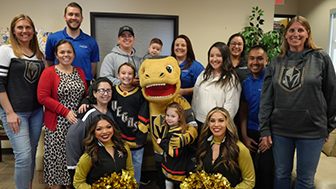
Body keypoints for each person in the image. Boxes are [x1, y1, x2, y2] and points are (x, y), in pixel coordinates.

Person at [258, 16, 336, 189]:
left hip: (312, 131)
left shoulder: (321, 58)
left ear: (307, 34)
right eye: (291, 30)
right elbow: (266, 98)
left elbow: (332, 94)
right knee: (281, 174)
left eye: (300, 30)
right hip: (280, 130)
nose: (296, 34)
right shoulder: (276, 62)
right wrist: (264, 129)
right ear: (285, 35)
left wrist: (328, 126)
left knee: (305, 180)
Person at [0, 14, 45, 189]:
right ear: (13, 31)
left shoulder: (39, 55)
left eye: (28, 27)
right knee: (24, 156)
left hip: (35, 112)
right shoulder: (6, 50)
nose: (24, 31)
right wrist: (9, 113)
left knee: (31, 155)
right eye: (20, 27)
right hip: (15, 112)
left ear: (33, 31)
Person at [37, 39, 87, 189]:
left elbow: (86, 93)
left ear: (74, 54)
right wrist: (65, 112)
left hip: (76, 126)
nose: (66, 55)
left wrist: (86, 101)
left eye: (69, 52)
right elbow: (42, 97)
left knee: (74, 167)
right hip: (57, 126)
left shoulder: (80, 71)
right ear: (56, 55)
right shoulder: (49, 72)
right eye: (62, 52)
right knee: (58, 170)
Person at [66, 77, 114, 183]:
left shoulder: (111, 112)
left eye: (108, 90)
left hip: (105, 166)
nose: (105, 93)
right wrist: (73, 167)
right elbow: (73, 138)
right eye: (102, 90)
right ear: (95, 93)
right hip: (88, 166)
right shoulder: (87, 112)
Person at [239, 45, 274, 189]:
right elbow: (243, 112)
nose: (255, 62)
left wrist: (268, 135)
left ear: (266, 60)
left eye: (260, 58)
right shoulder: (245, 83)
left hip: (269, 134)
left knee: (265, 171)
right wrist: (245, 136)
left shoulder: (273, 81)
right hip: (251, 131)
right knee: (248, 171)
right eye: (252, 58)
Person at [196, 107, 255, 189]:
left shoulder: (240, 148)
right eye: (212, 121)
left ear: (228, 123)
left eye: (221, 120)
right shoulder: (204, 144)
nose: (216, 124)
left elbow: (249, 181)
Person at [45, 2, 99, 86]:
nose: (74, 18)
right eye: (70, 14)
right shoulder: (53, 38)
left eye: (77, 15)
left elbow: (93, 66)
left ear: (81, 18)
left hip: (84, 85)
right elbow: (49, 63)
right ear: (65, 17)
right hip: (58, 84)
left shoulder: (91, 42)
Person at [73, 114, 134, 188]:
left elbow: (130, 169)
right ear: (93, 132)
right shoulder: (89, 156)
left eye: (108, 127)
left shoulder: (123, 146)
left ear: (113, 128)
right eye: (99, 129)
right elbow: (78, 182)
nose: (105, 131)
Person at [192, 42, 241, 133]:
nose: (214, 59)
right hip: (200, 122)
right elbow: (195, 97)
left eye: (218, 55)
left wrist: (219, 124)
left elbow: (231, 107)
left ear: (225, 57)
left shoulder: (231, 79)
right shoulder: (204, 74)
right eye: (211, 56)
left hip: (218, 127)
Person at [157, 102, 197, 189]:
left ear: (180, 118)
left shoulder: (176, 134)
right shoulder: (175, 128)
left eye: (173, 116)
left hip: (175, 168)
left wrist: (162, 143)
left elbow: (174, 153)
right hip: (173, 166)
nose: (169, 118)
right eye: (167, 115)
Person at [171, 34, 204, 103]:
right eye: (177, 45)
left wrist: (183, 91)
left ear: (188, 48)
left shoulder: (196, 66)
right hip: (168, 106)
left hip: (188, 105)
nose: (179, 47)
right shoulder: (167, 64)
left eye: (183, 45)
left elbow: (202, 88)